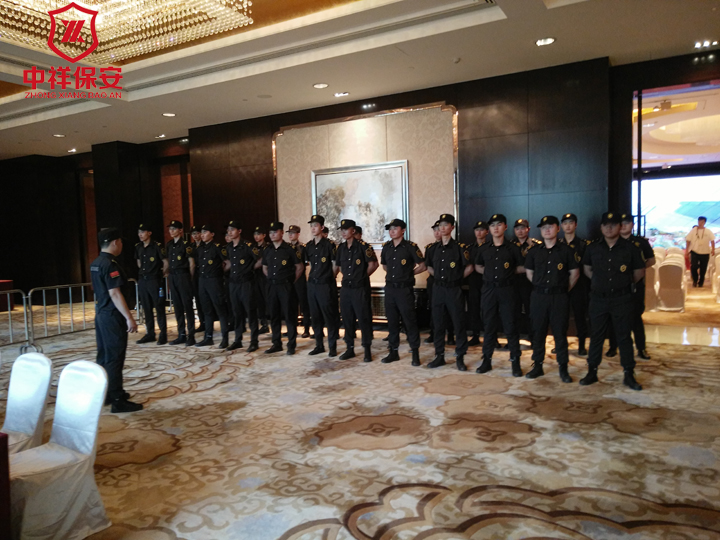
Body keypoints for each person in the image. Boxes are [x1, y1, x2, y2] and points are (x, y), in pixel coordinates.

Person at [581, 212, 645, 391]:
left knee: (624, 337)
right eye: (605, 225)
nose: (609, 228)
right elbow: (587, 268)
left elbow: (639, 272)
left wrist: (621, 284)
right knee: (596, 336)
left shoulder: (631, 248)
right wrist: (599, 282)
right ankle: (592, 371)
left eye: (613, 225)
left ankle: (628, 373)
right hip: (598, 298)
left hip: (621, 298)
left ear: (620, 227)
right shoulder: (593, 247)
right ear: (601, 227)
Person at [91, 228, 143, 413]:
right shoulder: (110, 264)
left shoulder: (96, 262)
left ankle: (106, 392)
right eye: (120, 242)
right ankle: (117, 399)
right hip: (113, 316)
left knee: (104, 355)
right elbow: (114, 293)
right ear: (114, 242)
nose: (121, 245)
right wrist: (129, 318)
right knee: (114, 357)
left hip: (101, 314)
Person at [523, 216, 579, 382]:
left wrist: (561, 289)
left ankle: (563, 368)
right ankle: (537, 365)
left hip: (559, 297)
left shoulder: (567, 251)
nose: (547, 230)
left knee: (560, 333)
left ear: (557, 228)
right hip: (539, 296)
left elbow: (574, 274)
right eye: (543, 227)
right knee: (538, 332)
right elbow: (529, 273)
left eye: (550, 226)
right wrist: (541, 286)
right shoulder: (534, 251)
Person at [475, 214, 526, 376]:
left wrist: (507, 273)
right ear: (489, 229)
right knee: (489, 326)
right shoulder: (484, 248)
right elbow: (478, 266)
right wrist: (489, 273)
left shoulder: (513, 248)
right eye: (492, 225)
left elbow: (522, 267)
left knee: (510, 326)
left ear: (505, 227)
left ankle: (515, 362)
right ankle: (487, 360)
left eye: (499, 224)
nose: (495, 228)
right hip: (489, 290)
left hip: (507, 290)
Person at [426, 214, 473, 371]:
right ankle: (439, 356)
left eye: (446, 225)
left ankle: (460, 357)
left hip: (454, 289)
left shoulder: (460, 248)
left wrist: (456, 279)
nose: (442, 228)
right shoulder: (432, 249)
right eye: (440, 225)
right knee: (438, 324)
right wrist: (439, 278)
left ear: (452, 227)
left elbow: (469, 267)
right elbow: (429, 267)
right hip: (438, 289)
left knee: (458, 323)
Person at [380, 218, 426, 366]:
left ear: (403, 230)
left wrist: (408, 274)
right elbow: (385, 266)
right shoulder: (386, 247)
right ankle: (393, 352)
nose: (392, 231)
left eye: (395, 228)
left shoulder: (410, 247)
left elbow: (423, 265)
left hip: (404, 290)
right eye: (390, 229)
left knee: (409, 321)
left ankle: (415, 352)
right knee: (392, 321)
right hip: (390, 289)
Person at [333, 219, 378, 362]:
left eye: (346, 229)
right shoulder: (340, 248)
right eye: (342, 230)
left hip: (360, 288)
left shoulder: (364, 247)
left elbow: (373, 264)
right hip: (346, 288)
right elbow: (339, 266)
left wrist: (361, 277)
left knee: (363, 318)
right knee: (347, 318)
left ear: (353, 231)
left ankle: (367, 349)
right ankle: (350, 348)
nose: (343, 232)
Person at [263, 222, 304, 354]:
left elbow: (299, 267)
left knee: (289, 315)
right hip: (272, 286)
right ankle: (276, 343)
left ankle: (291, 344)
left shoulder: (290, 249)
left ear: (281, 233)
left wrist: (290, 281)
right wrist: (272, 278)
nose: (272, 235)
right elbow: (265, 267)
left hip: (286, 286)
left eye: (275, 232)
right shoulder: (267, 250)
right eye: (270, 232)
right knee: (274, 315)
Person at [618, 213, 655, 360]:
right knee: (616, 317)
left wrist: (638, 269)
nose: (623, 226)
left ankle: (641, 348)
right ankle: (614, 347)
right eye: (621, 223)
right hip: (618, 286)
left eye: (627, 223)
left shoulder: (640, 242)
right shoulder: (613, 242)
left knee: (636, 318)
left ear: (632, 225)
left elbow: (651, 260)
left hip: (635, 285)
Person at [224, 220, 261, 352]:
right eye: (228, 230)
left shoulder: (248, 246)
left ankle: (254, 341)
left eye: (232, 230)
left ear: (239, 231)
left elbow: (260, 259)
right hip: (233, 283)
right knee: (237, 312)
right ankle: (237, 340)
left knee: (250, 312)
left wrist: (249, 269)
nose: (230, 232)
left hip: (246, 283)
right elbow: (229, 262)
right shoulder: (229, 247)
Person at [305, 215, 340, 357]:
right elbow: (311, 264)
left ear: (322, 227)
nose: (313, 228)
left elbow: (335, 265)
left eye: (316, 225)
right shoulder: (309, 246)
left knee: (329, 316)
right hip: (312, 284)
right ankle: (319, 345)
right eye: (311, 226)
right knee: (315, 316)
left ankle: (332, 346)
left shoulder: (330, 245)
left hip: (325, 285)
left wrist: (328, 277)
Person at [558, 213, 591, 356]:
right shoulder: (558, 244)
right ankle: (561, 344)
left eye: (571, 223)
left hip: (579, 286)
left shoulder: (583, 245)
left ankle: (582, 345)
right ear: (561, 226)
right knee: (561, 318)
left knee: (580, 317)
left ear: (576, 225)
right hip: (561, 286)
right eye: (565, 223)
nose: (568, 226)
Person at [195, 224, 230, 348]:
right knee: (206, 310)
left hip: (214, 281)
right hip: (202, 280)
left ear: (212, 234)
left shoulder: (217, 247)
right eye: (202, 232)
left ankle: (225, 338)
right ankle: (208, 337)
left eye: (205, 232)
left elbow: (228, 262)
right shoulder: (200, 248)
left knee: (220, 309)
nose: (202, 235)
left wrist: (219, 272)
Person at [134, 224, 168, 345]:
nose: (140, 234)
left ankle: (163, 334)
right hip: (143, 280)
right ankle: (150, 333)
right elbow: (138, 262)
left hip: (154, 280)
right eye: (139, 232)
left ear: (149, 233)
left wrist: (160, 273)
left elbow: (165, 262)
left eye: (143, 232)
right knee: (146, 307)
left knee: (159, 307)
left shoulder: (157, 246)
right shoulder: (138, 247)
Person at [166, 220, 197, 346]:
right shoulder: (169, 245)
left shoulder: (186, 245)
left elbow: (191, 264)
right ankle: (181, 334)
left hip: (183, 276)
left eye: (174, 229)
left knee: (187, 306)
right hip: (173, 276)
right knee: (177, 306)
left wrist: (189, 278)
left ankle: (191, 335)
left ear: (180, 230)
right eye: (170, 229)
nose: (171, 231)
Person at [512, 219, 541, 346]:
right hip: (513, 284)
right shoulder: (510, 245)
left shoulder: (536, 245)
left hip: (530, 284)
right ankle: (514, 339)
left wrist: (523, 269)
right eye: (517, 228)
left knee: (531, 312)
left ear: (528, 229)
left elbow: (538, 265)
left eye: (523, 228)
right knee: (514, 312)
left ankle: (533, 338)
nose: (520, 231)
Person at [287, 225, 312, 338]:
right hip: (289, 278)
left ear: (298, 234)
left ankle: (306, 329)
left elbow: (305, 263)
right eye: (289, 233)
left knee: (304, 304)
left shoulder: (302, 247)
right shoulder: (286, 247)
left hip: (300, 279)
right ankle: (292, 329)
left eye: (293, 233)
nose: (290, 235)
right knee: (290, 305)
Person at [467, 221, 489, 347]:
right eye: (477, 230)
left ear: (487, 232)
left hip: (488, 282)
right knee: (474, 309)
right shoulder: (470, 248)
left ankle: (491, 336)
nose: (479, 232)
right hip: (474, 282)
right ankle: (475, 335)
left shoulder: (491, 247)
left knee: (489, 310)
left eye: (481, 230)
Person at [686, 216, 716, 287]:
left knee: (703, 268)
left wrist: (713, 249)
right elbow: (688, 240)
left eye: (702, 222)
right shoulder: (693, 230)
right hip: (694, 251)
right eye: (699, 221)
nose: (700, 223)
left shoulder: (708, 231)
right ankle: (695, 280)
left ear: (704, 222)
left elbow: (712, 240)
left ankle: (701, 282)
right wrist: (687, 250)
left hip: (705, 252)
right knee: (694, 266)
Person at [253, 226, 270, 333]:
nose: (256, 236)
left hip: (266, 276)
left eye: (258, 234)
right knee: (259, 301)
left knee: (268, 300)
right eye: (255, 234)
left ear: (264, 235)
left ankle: (271, 322)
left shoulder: (268, 247)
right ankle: (263, 324)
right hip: (256, 277)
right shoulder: (253, 247)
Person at [190, 225, 206, 334]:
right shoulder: (191, 246)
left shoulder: (205, 245)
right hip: (195, 276)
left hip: (204, 275)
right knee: (198, 300)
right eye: (193, 234)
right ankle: (202, 322)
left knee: (205, 300)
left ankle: (208, 322)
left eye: (197, 233)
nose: (195, 236)